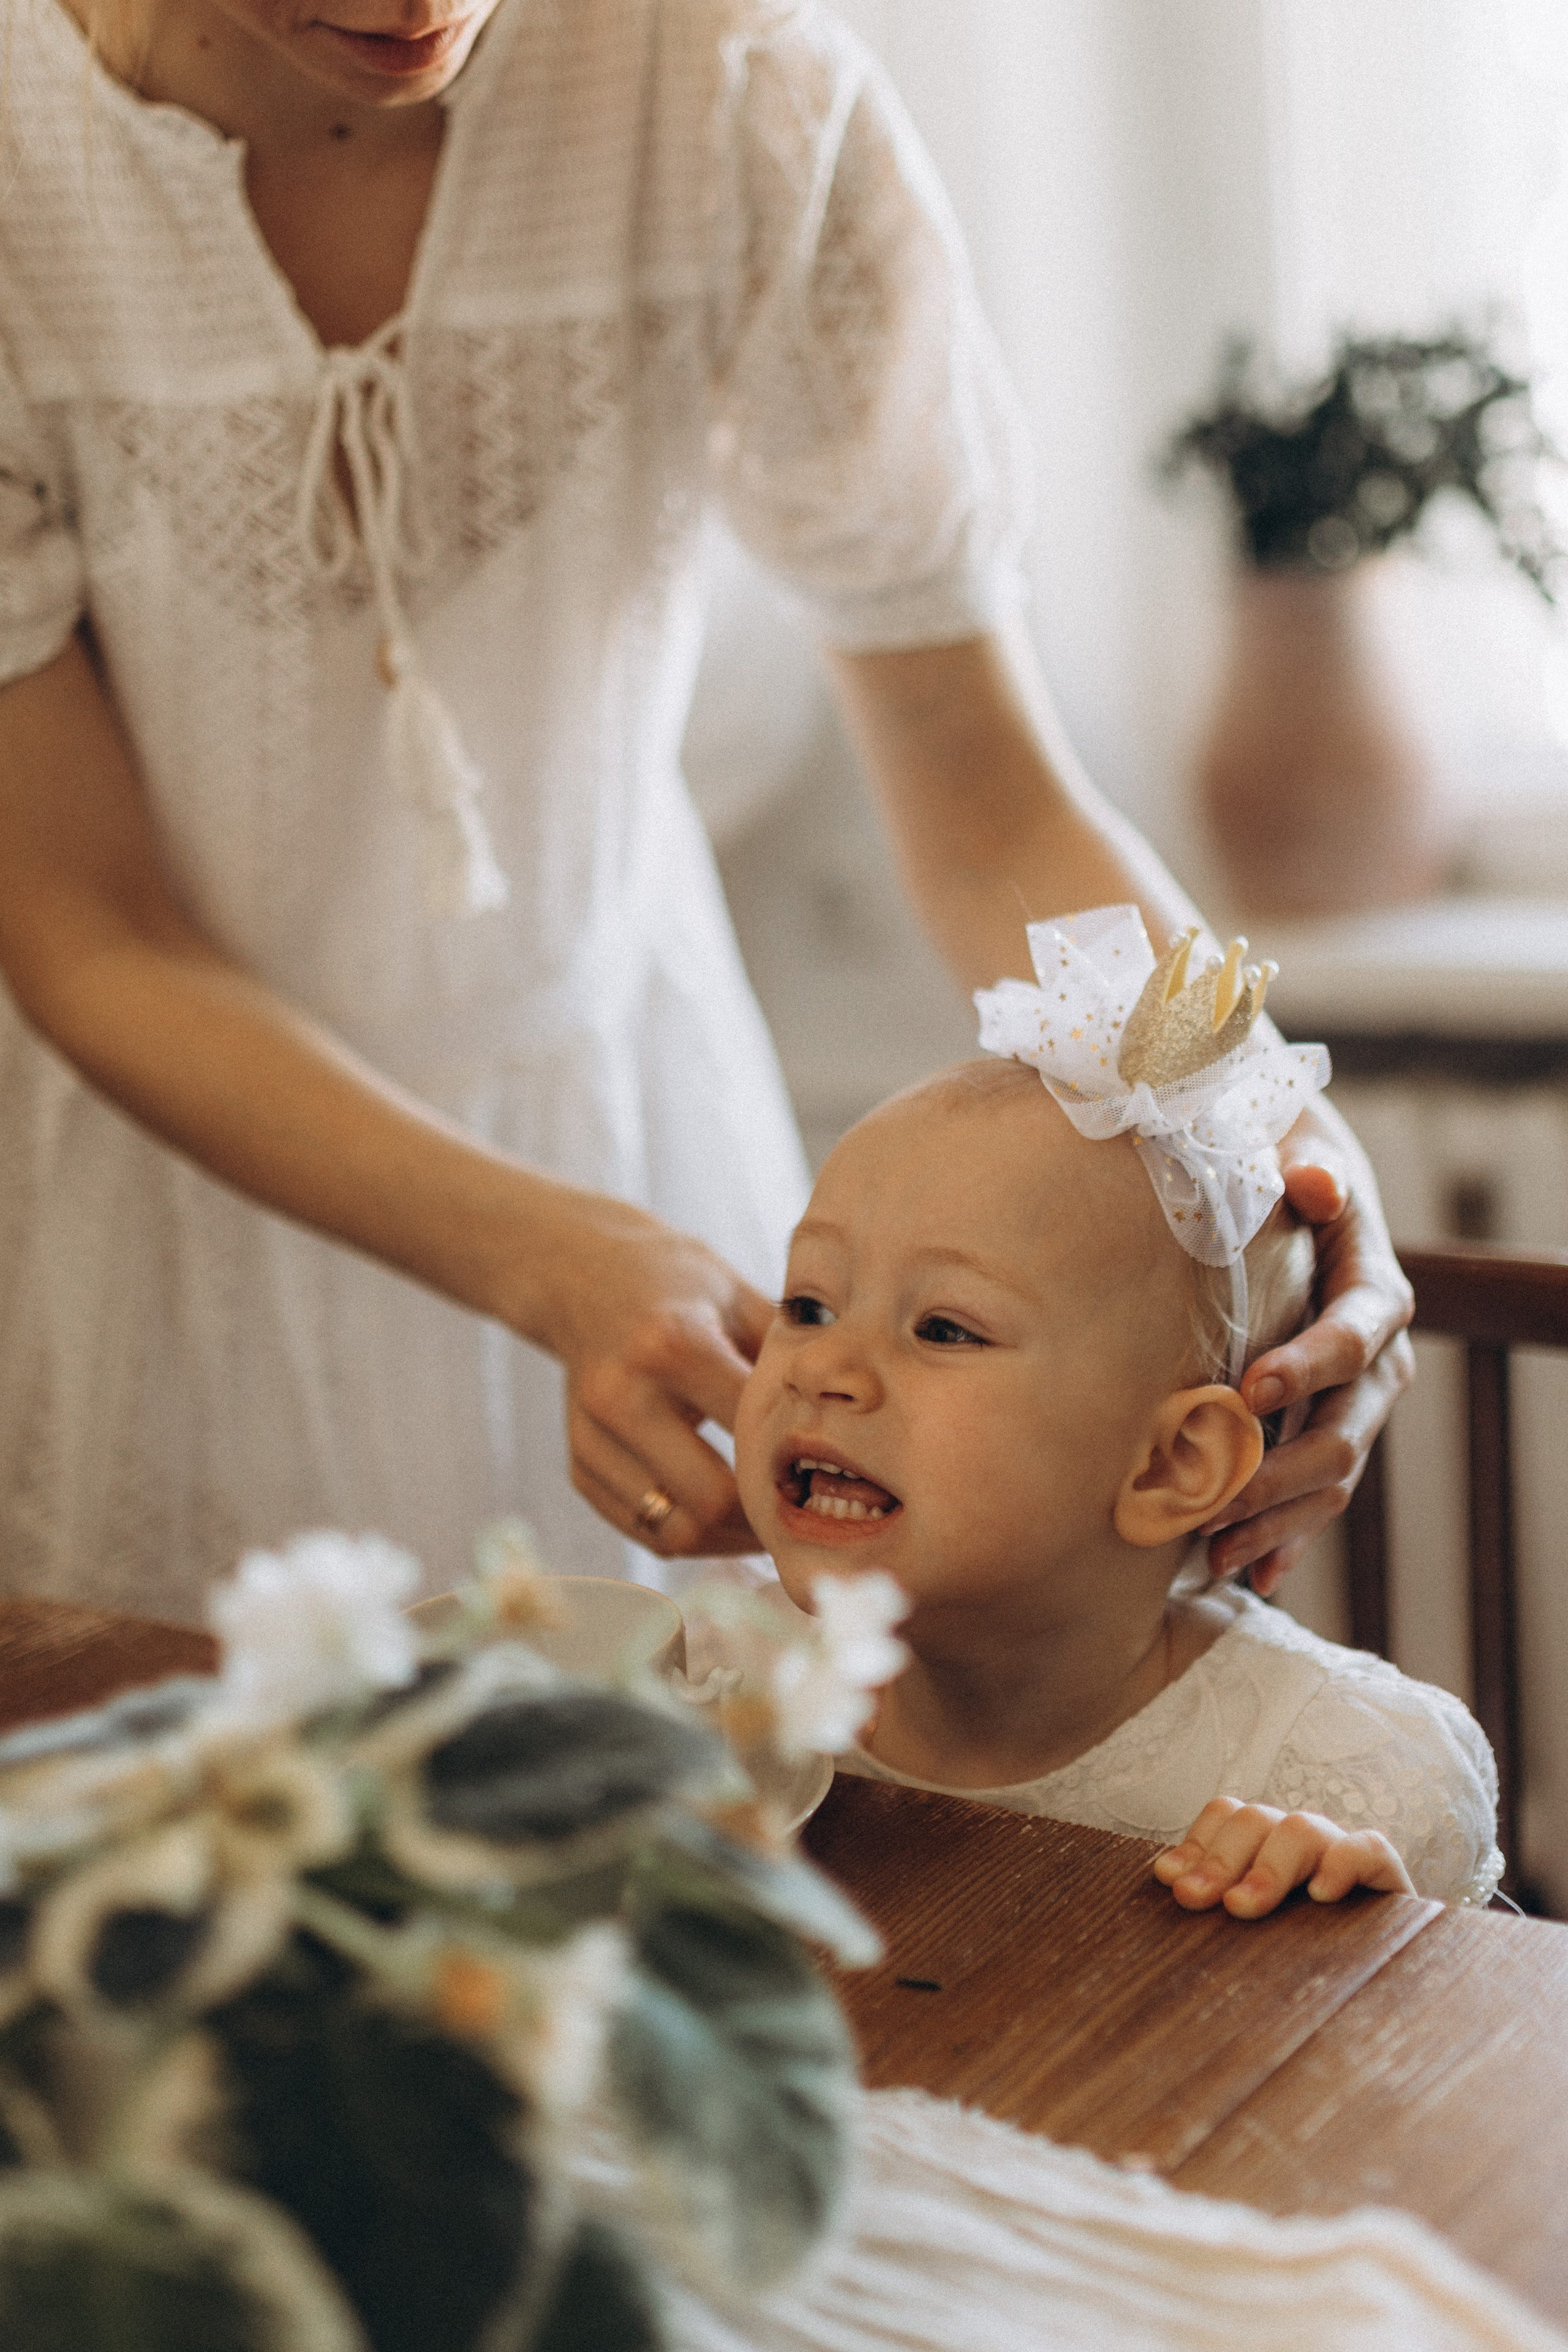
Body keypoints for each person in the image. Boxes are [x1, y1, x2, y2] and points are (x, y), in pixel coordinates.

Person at [0, 0, 1411, 1621]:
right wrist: (545, 1260)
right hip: (158, 1214)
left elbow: (984, 800)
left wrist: (1266, 1132)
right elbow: (90, 932)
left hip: (638, 1134)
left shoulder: (737, 93)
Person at [733, 910, 1501, 1909]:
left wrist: (1360, 1934)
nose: (825, 1366)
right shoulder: (712, 1696)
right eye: (808, 1305)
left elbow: (1452, 2048)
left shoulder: (1341, 1770)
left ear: (1171, 1466)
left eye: (944, 1330)